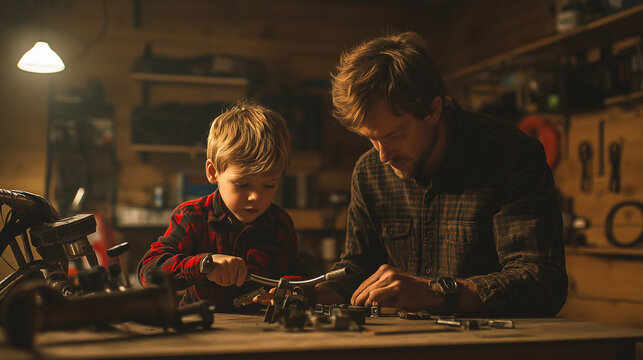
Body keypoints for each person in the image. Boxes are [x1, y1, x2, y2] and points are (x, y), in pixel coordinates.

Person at [313, 31, 568, 317]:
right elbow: (357, 269)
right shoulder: (369, 171)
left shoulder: (511, 156)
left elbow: (541, 281)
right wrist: (305, 294)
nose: (383, 156)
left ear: (433, 110)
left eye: (395, 135)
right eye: (371, 139)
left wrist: (433, 292)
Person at [138, 101, 304, 311]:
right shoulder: (192, 217)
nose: (255, 196)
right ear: (213, 172)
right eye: (242, 184)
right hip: (198, 330)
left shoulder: (280, 224)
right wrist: (203, 265)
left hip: (260, 336)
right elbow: (148, 271)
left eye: (269, 185)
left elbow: (297, 276)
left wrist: (291, 292)